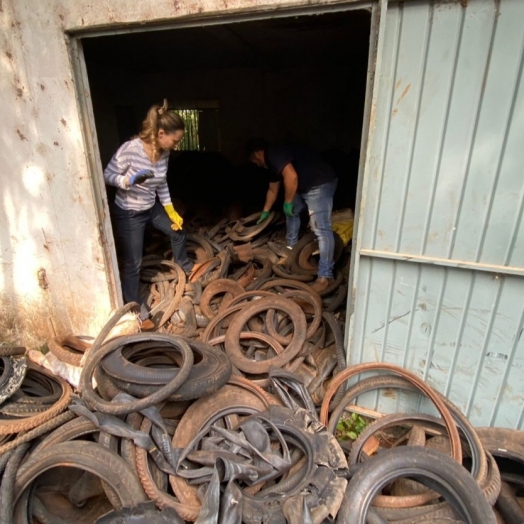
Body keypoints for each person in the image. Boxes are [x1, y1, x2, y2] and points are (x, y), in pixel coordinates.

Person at [104, 100, 193, 330]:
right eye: (175, 140)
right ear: (161, 133)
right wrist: (127, 181)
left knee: (178, 231)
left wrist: (170, 210)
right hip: (130, 212)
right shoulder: (130, 149)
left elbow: (161, 184)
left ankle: (184, 268)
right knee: (133, 263)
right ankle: (134, 309)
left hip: (151, 207)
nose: (175, 145)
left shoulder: (163, 153)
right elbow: (107, 175)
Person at [246, 138, 338, 294]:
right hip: (302, 185)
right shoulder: (271, 165)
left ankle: (325, 277)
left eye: (254, 160)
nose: (255, 164)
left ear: (258, 153)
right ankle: (291, 250)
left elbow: (292, 176)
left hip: (319, 183)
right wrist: (265, 211)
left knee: (321, 230)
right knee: (292, 213)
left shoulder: (275, 152)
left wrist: (288, 201)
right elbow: (273, 190)